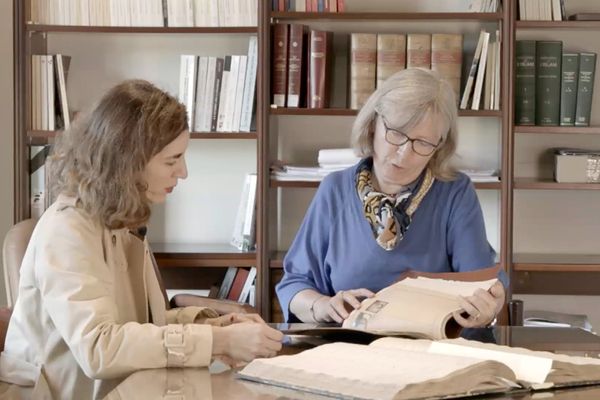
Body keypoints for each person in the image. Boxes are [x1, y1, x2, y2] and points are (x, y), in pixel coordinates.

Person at [0, 80, 283, 399]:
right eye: (172, 160)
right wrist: (219, 343)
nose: (183, 172)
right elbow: (100, 348)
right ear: (128, 162)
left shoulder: (123, 220)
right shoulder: (66, 230)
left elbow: (143, 324)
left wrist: (216, 328)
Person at [276, 68, 506, 327]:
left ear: (440, 146)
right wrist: (323, 306)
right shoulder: (335, 189)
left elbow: (478, 284)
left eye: (423, 143)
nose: (403, 155)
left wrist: (488, 308)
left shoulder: (455, 192)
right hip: (347, 350)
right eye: (396, 134)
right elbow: (295, 285)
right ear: (373, 124)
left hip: (430, 353)